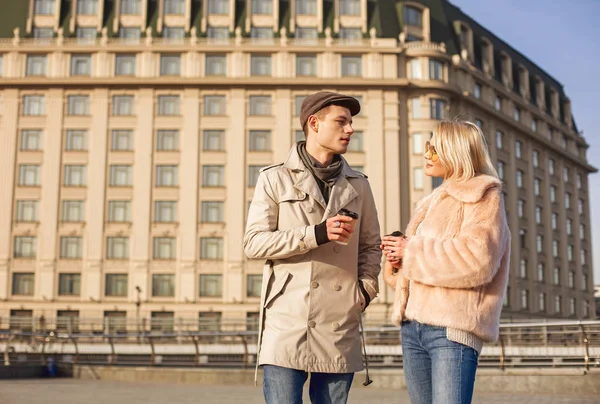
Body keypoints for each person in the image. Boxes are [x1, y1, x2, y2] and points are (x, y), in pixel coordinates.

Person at [243, 91, 382, 404]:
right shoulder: (274, 178)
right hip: (287, 319)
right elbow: (253, 243)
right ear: (314, 123)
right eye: (341, 122)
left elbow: (371, 246)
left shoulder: (359, 184)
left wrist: (365, 291)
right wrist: (316, 234)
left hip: (338, 319)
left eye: (351, 123)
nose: (350, 130)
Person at [381, 120, 511, 404]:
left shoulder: (484, 196)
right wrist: (397, 260)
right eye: (428, 147)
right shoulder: (431, 202)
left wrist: (411, 251)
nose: (426, 155)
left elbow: (478, 261)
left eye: (435, 149)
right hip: (412, 327)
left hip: (452, 331)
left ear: (457, 153)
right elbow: (422, 266)